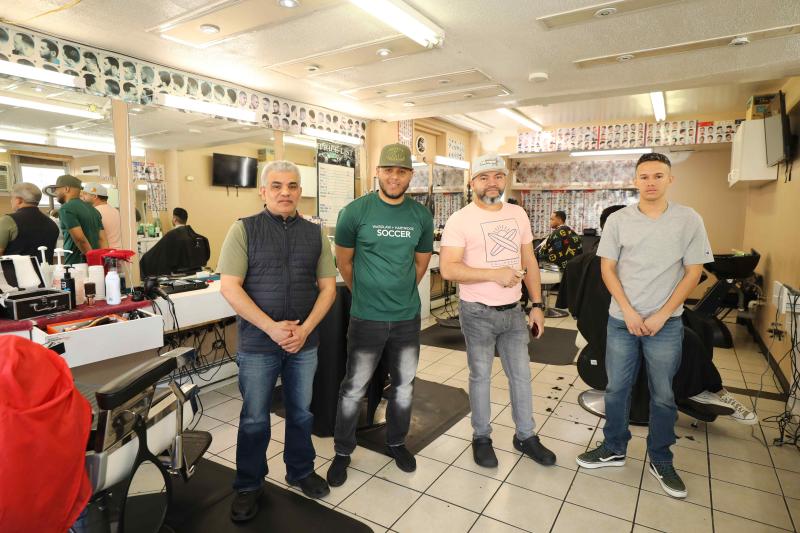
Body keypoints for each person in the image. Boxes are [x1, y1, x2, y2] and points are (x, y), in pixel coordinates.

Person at [576, 153, 713, 500]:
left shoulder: (689, 219)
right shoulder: (619, 220)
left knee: (663, 394)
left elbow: (693, 272)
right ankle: (614, 447)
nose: (651, 182)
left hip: (665, 324)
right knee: (616, 389)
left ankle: (661, 457)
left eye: (658, 176)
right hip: (622, 321)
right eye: (644, 176)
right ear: (635, 181)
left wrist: (662, 314)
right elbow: (607, 269)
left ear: (670, 179)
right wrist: (628, 311)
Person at [218, 161, 337, 522]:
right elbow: (230, 287)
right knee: (255, 417)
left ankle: (300, 470)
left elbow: (328, 289)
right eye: (276, 185)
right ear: (263, 191)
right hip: (258, 344)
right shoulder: (243, 229)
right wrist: (270, 328)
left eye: (292, 185)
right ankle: (249, 484)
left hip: (303, 343)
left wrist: (305, 330)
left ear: (300, 191)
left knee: (301, 412)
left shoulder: (315, 234)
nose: (285, 192)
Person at [326, 143, 433, 487]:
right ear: (377, 172)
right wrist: (366, 294)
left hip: (406, 319)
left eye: (401, 172)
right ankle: (343, 451)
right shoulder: (355, 212)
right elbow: (344, 262)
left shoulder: (420, 216)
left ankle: (397, 442)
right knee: (353, 387)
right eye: (388, 170)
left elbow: (420, 265)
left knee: (403, 387)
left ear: (410, 176)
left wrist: (399, 293)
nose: (394, 177)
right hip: (366, 318)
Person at [439, 154, 556, 468]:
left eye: (497, 176)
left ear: (505, 179)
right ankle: (481, 437)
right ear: (472, 182)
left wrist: (537, 305)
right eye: (484, 177)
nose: (492, 183)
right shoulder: (460, 220)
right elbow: (448, 268)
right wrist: (494, 274)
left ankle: (526, 436)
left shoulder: (517, 213)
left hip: (514, 312)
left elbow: (529, 260)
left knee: (521, 376)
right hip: (477, 312)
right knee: (480, 377)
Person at [44, 175, 106, 265]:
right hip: (97, 264)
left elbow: (80, 239)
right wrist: (101, 262)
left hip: (76, 264)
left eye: (57, 189)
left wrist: (91, 260)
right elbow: (102, 239)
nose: (55, 192)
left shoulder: (66, 208)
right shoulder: (93, 210)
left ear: (66, 189)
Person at [139, 207, 210, 277]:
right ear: (185, 220)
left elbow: (156, 255)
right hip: (197, 273)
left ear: (174, 219)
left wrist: (143, 261)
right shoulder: (198, 237)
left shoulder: (170, 236)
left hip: (177, 274)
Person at [0, 183, 59, 262]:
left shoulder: (7, 221)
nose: (11, 201)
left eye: (12, 198)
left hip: (14, 270)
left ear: (19, 200)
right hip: (45, 270)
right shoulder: (52, 224)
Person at [81, 182, 122, 249]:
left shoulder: (94, 212)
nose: (83, 197)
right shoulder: (116, 211)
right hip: (118, 251)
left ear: (95, 196)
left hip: (104, 252)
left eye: (85, 194)